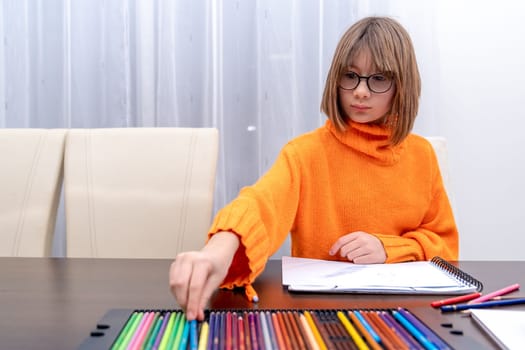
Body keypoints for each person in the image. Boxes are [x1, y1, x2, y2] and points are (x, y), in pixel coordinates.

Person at [169, 16, 458, 321]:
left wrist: (388, 250)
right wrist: (217, 250)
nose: (360, 91)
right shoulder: (305, 154)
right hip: (319, 317)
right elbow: (261, 203)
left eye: (379, 78)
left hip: (405, 318)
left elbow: (445, 246)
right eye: (351, 75)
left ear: (403, 85)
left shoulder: (422, 155)